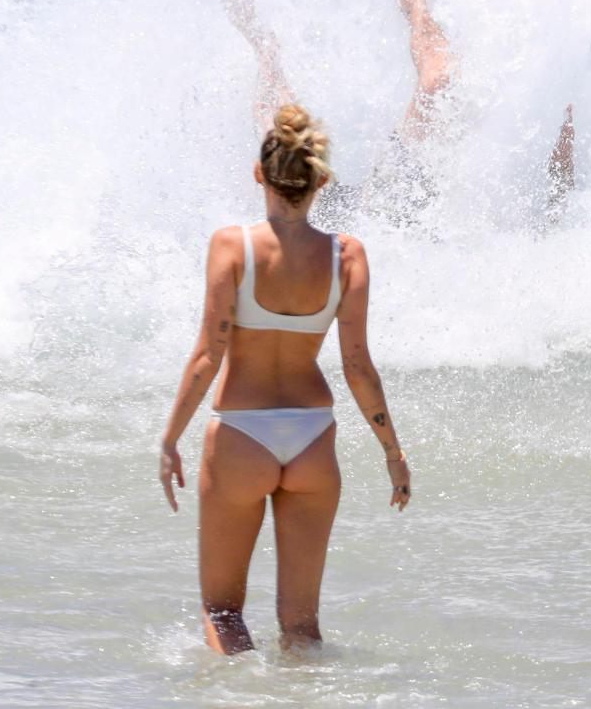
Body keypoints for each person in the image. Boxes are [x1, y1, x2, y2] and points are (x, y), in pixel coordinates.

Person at [159, 104, 411, 656]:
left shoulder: (233, 247)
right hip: (313, 439)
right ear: (321, 179)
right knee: (302, 626)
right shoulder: (347, 255)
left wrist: (170, 438)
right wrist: (392, 451)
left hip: (240, 437)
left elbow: (208, 354)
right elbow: (358, 366)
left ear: (259, 173)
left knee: (223, 611)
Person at [224, 0, 575, 224]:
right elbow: (552, 231)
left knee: (438, 81)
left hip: (377, 207)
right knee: (439, 81)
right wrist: (561, 160)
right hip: (378, 212)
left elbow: (551, 239)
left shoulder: (335, 249)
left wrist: (560, 145)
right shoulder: (264, 249)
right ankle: (268, 54)